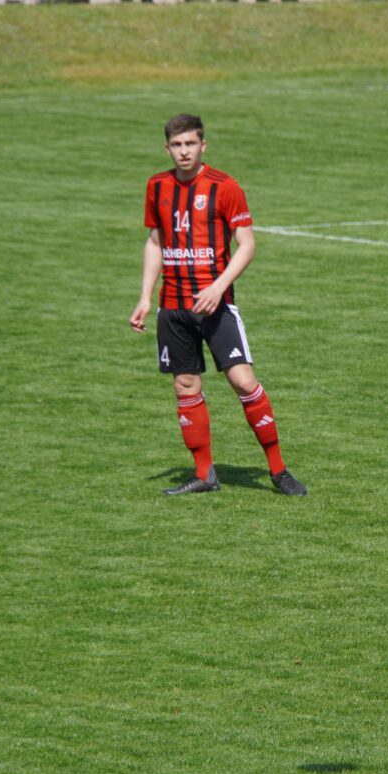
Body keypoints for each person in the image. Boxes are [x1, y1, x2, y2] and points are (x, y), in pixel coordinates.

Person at [130, 114, 306, 496]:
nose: (183, 151)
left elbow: (248, 244)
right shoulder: (157, 187)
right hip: (173, 308)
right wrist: (145, 296)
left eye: (190, 144)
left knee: (243, 381)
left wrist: (218, 286)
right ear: (167, 148)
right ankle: (205, 473)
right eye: (177, 145)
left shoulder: (224, 187)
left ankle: (278, 469)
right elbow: (155, 243)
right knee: (185, 385)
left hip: (217, 305)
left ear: (202, 146)